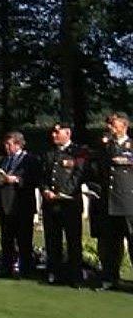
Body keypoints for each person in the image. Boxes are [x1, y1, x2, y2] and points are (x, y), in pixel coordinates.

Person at [39, 122, 86, 287]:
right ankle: (54, 273)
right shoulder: (50, 153)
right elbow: (44, 175)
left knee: (73, 241)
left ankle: (75, 276)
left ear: (68, 133)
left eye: (57, 132)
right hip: (51, 204)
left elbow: (78, 176)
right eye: (53, 132)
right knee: (52, 241)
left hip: (69, 204)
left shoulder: (78, 152)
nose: (53, 135)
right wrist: (45, 190)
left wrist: (62, 193)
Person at [0, 131, 40, 278]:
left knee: (24, 240)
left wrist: (17, 180)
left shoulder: (30, 160)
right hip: (5, 206)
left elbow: (34, 179)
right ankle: (6, 268)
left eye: (9, 144)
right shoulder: (3, 160)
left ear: (18, 144)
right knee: (6, 240)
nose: (6, 147)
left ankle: (26, 270)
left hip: (22, 205)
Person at [92, 112, 133, 291]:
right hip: (109, 201)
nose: (110, 127)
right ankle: (110, 278)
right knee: (110, 244)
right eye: (109, 124)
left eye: (113, 124)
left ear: (124, 125)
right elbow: (96, 167)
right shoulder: (105, 146)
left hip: (129, 201)